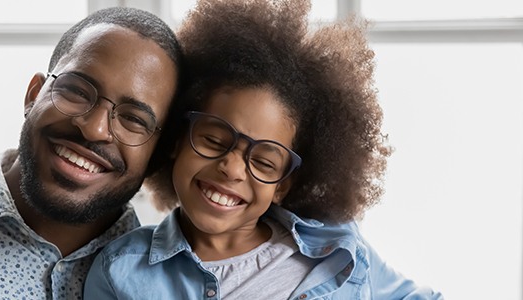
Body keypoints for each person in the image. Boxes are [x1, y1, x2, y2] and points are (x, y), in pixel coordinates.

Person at [83, 0, 444, 299]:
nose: (233, 168)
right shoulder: (120, 272)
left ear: (283, 184)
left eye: (265, 161)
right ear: (179, 136)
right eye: (213, 140)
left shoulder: (339, 247)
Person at [0, 6, 182, 299]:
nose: (94, 129)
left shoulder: (176, 283)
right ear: (34, 95)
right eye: (77, 91)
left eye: (134, 119)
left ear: (157, 155)